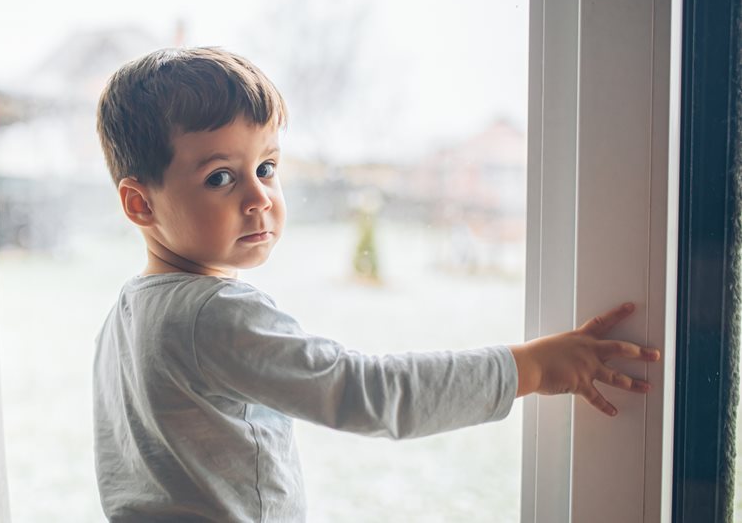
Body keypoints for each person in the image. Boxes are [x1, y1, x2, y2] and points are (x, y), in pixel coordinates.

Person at [91, 47, 660, 522]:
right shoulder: (212, 315)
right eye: (220, 177)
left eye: (266, 167)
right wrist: (530, 367)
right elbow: (369, 392)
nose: (260, 196)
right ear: (140, 203)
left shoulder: (129, 311)